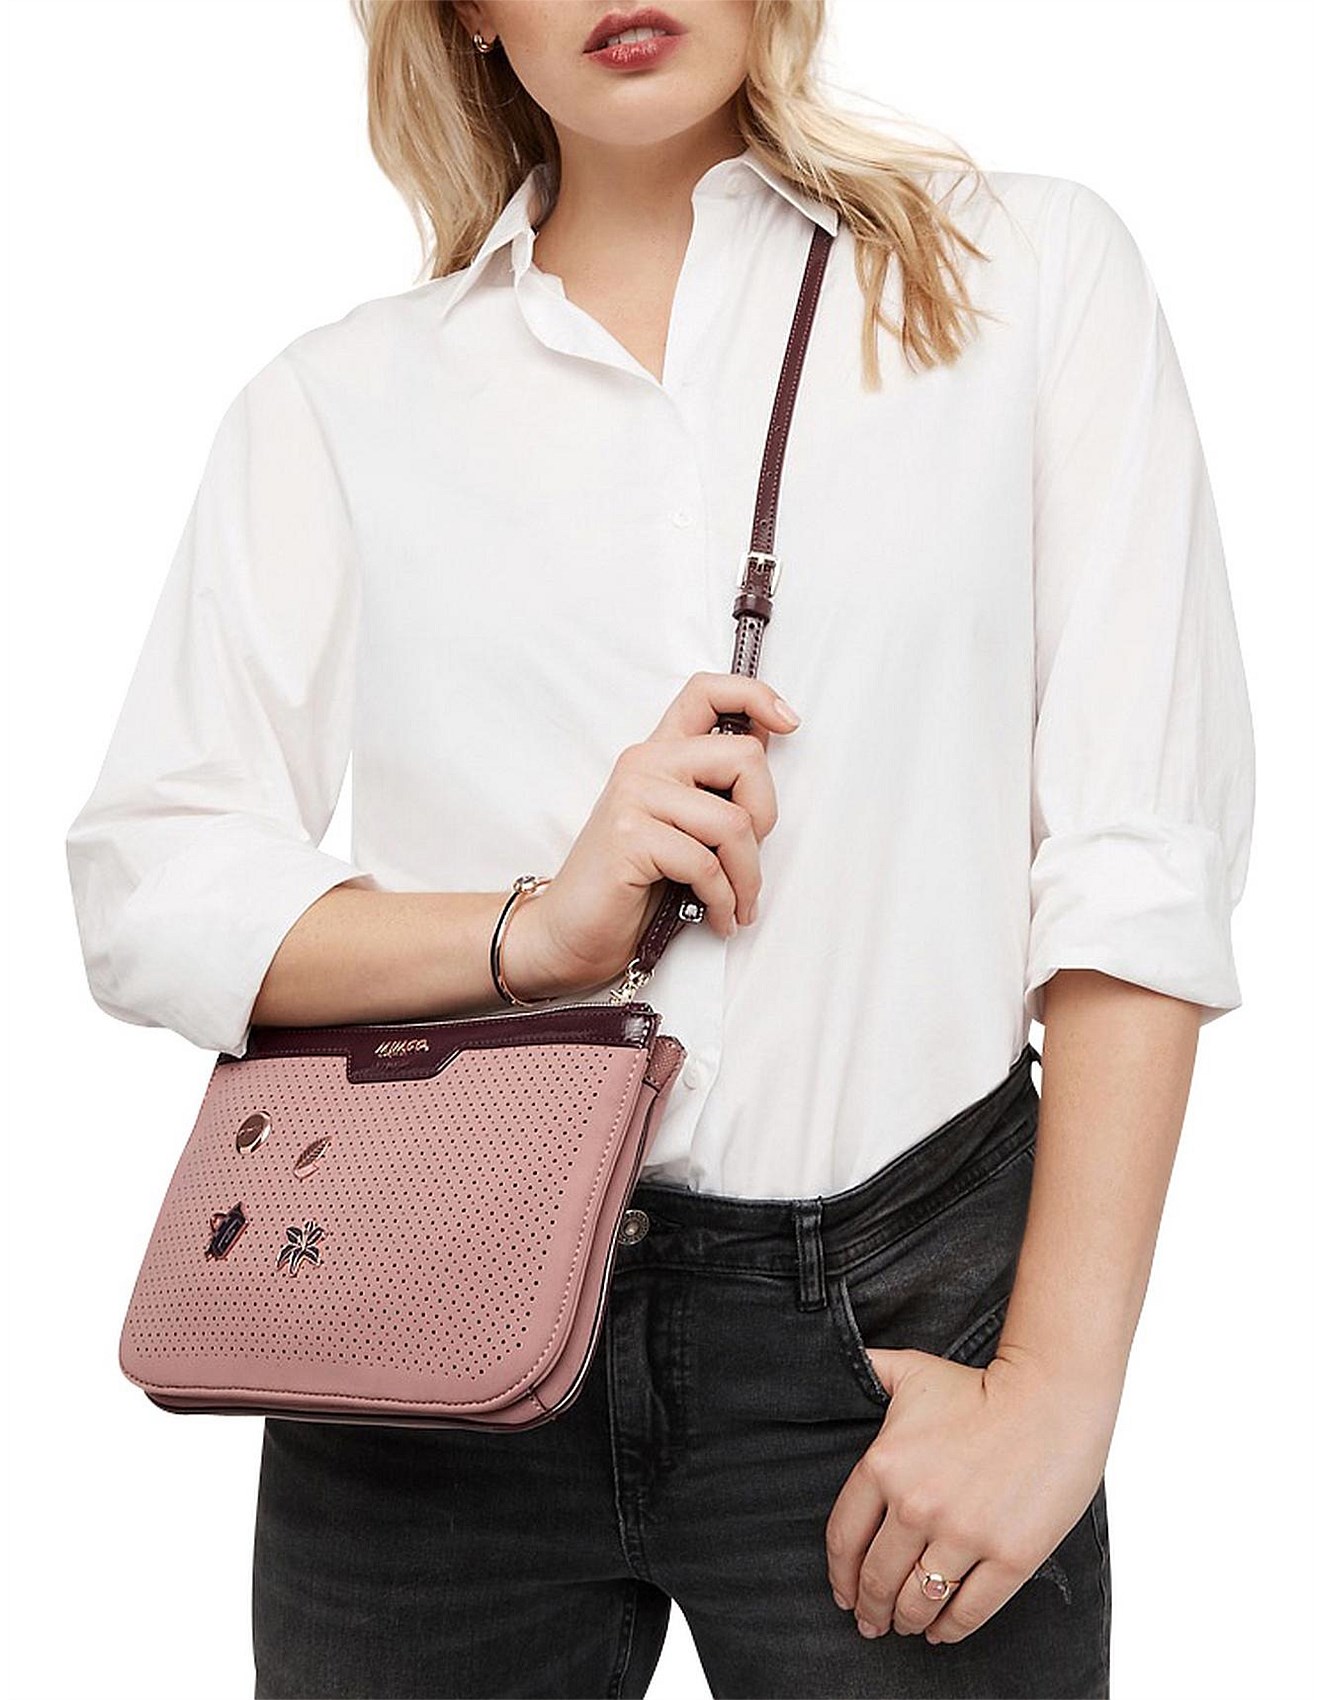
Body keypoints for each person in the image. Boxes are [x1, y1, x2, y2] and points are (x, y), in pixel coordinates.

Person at [64, 2, 1255, 1697]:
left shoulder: (1024, 275)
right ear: (469, 14)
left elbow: (1141, 856)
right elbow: (150, 879)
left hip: (895, 1329)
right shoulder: (340, 400)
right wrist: (532, 935)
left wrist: (1059, 1391)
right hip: (426, 1320)